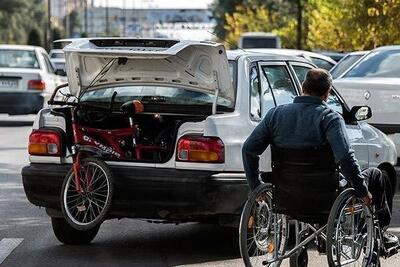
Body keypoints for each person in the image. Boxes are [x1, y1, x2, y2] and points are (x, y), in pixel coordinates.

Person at [242, 68, 397, 249]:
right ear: (327, 93)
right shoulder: (330, 118)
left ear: (302, 87)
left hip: (285, 194)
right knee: (378, 176)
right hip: (325, 196)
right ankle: (380, 235)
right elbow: (345, 158)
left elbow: (249, 150)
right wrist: (362, 191)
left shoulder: (275, 115)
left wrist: (256, 187)